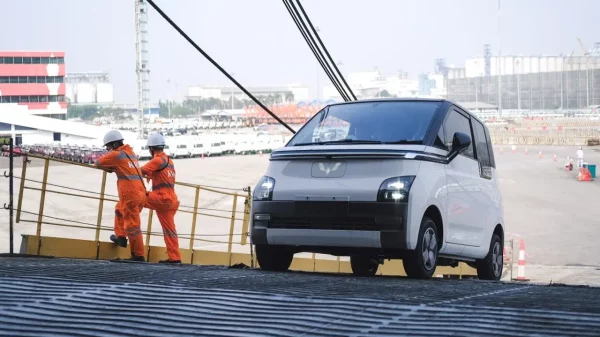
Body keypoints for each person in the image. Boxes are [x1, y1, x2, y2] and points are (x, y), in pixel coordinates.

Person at [95, 130, 147, 262]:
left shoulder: (117, 155)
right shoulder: (130, 154)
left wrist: (109, 168)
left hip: (130, 195)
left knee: (133, 226)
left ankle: (138, 255)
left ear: (114, 144)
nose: (108, 150)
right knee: (119, 209)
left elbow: (98, 163)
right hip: (140, 193)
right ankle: (121, 237)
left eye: (108, 147)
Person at [141, 132, 182, 264]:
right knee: (169, 231)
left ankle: (123, 233)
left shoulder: (158, 160)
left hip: (162, 198)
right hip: (171, 200)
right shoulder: (170, 161)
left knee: (133, 198)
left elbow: (139, 171)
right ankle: (175, 258)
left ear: (151, 149)